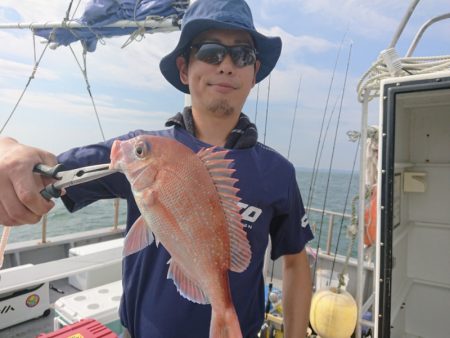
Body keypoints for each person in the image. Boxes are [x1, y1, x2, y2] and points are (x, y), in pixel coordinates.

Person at [0, 0, 314, 337]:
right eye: (210, 52)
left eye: (242, 56)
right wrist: (9, 149)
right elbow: (49, 168)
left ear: (254, 73)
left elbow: (295, 261)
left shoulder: (277, 171)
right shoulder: (143, 149)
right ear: (184, 69)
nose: (226, 65)